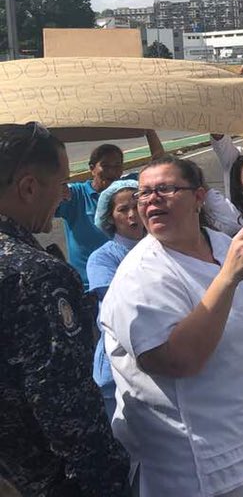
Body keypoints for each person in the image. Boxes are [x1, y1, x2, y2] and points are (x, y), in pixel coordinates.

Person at [101, 155, 243, 497]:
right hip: (198, 464)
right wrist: (227, 278)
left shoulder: (226, 246)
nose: (152, 199)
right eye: (144, 193)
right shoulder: (140, 276)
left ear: (199, 197)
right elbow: (178, 360)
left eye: (166, 189)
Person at [0, 122, 130, 497]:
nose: (62, 197)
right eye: (60, 186)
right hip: (40, 479)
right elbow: (67, 408)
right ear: (28, 187)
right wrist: (110, 480)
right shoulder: (36, 276)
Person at [56, 132, 163, 286]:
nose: (112, 172)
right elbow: (45, 197)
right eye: (105, 166)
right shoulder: (75, 196)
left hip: (137, 280)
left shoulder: (129, 187)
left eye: (117, 166)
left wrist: (149, 131)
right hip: (88, 287)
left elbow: (159, 167)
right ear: (92, 169)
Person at [87, 178, 146, 420]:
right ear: (109, 217)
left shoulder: (163, 247)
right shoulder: (102, 259)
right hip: (116, 369)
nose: (132, 215)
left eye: (136, 206)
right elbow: (119, 304)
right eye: (123, 210)